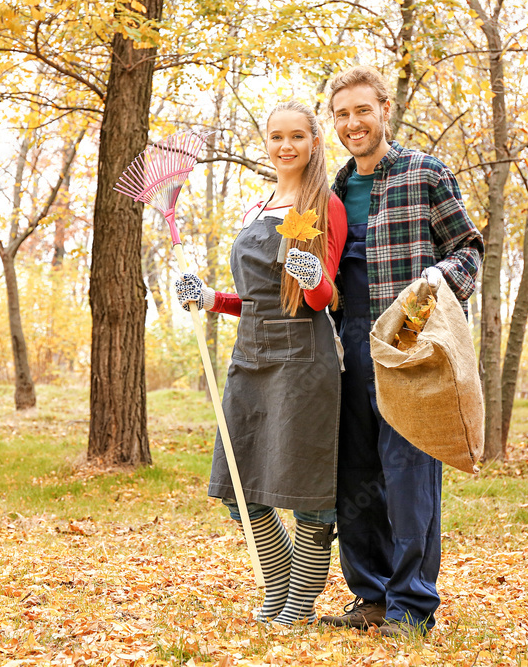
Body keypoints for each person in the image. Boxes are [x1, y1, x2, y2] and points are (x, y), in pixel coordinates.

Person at [317, 65, 484, 637]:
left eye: (362, 110)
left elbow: (468, 249)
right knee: (354, 474)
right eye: (341, 114)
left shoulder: (424, 172)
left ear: (384, 109)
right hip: (345, 349)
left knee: (408, 477)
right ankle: (370, 595)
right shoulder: (331, 191)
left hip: (407, 348)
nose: (352, 122)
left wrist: (434, 280)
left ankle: (411, 605)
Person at [175, 100, 348, 626]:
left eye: (297, 136)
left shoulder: (326, 206)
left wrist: (310, 270)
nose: (286, 146)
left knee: (306, 488)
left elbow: (326, 297)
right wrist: (209, 298)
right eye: (276, 137)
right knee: (239, 482)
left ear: (314, 143)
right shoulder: (256, 208)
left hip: (303, 357)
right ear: (266, 143)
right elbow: (252, 297)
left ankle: (297, 604)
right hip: (249, 354)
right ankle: (279, 586)